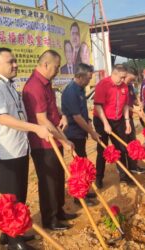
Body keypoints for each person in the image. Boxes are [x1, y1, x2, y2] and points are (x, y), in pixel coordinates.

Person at [0, 48, 51, 250]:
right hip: (3, 152)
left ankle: (10, 234)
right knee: (9, 197)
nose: (15, 65)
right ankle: (14, 242)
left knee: (19, 194)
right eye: (10, 62)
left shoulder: (9, 86)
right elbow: (2, 118)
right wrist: (36, 128)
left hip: (18, 148)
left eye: (15, 61)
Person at [22, 50, 76, 231]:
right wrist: (65, 139)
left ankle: (59, 211)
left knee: (59, 177)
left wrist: (62, 116)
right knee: (49, 182)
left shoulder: (46, 84)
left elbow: (51, 108)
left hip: (55, 138)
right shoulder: (35, 86)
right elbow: (42, 120)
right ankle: (50, 219)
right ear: (46, 65)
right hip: (44, 143)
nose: (58, 71)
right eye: (56, 67)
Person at [93, 64, 137, 189]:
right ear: (114, 74)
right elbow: (98, 106)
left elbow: (125, 106)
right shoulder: (103, 85)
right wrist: (106, 124)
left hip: (118, 120)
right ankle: (99, 178)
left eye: (124, 78)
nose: (123, 80)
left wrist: (127, 122)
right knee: (102, 149)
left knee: (121, 148)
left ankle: (124, 176)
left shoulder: (124, 87)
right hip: (102, 121)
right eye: (121, 78)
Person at [61, 63, 98, 206]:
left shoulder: (80, 89)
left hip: (81, 133)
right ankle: (79, 197)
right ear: (80, 76)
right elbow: (76, 117)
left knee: (83, 164)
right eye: (88, 78)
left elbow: (83, 113)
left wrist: (89, 124)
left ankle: (85, 191)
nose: (90, 81)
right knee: (79, 167)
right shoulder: (71, 91)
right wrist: (92, 132)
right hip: (73, 134)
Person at [125, 66, 145, 174]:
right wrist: (136, 111)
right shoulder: (120, 87)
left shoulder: (130, 86)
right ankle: (124, 172)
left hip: (130, 118)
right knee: (123, 145)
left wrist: (139, 103)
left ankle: (134, 166)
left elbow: (133, 100)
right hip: (121, 121)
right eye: (131, 79)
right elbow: (123, 105)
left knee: (132, 142)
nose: (132, 81)